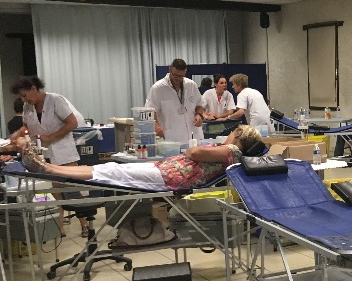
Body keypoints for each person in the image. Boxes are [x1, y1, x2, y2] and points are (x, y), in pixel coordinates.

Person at [19, 125, 263, 192]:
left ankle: (48, 169)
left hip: (170, 178)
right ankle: (48, 167)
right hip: (166, 171)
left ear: (238, 136)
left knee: (112, 172)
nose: (229, 134)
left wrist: (193, 150)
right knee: (111, 168)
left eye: (233, 132)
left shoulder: (232, 152)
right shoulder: (229, 151)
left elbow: (194, 153)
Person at [9, 76, 89, 237]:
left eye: (24, 95)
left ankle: (85, 224)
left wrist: (50, 137)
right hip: (44, 154)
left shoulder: (55, 100)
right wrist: (17, 134)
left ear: (33, 88)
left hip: (63, 152)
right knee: (55, 192)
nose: (23, 99)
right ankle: (59, 227)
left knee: (71, 190)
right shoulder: (27, 106)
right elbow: (27, 126)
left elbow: (72, 123)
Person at [145, 59, 206, 144]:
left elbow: (200, 104)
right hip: (172, 138)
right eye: (175, 75)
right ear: (170, 70)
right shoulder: (158, 88)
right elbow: (150, 111)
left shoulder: (191, 85)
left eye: (181, 76)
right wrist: (156, 126)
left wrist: (199, 115)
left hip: (194, 136)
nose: (178, 78)